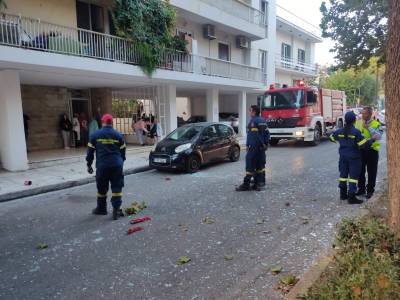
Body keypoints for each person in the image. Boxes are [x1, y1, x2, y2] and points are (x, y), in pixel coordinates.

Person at [330, 111, 377, 204]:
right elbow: (364, 145)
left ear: (345, 120)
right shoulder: (356, 132)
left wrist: (340, 142)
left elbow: (331, 137)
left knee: (343, 176)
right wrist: (371, 140)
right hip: (354, 158)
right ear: (354, 120)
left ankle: (343, 194)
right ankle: (351, 197)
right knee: (353, 177)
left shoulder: (339, 131)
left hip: (343, 157)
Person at [86, 114, 126, 220]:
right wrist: (121, 162)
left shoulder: (95, 135)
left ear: (102, 123)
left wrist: (89, 164)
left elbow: (90, 153)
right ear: (111, 123)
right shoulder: (118, 135)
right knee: (117, 188)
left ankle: (101, 209)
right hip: (116, 165)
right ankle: (116, 209)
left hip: (102, 166)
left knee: (101, 188)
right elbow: (123, 151)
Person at [236, 105, 270, 191]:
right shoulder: (263, 120)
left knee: (250, 165)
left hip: (254, 148)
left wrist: (248, 145)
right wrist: (265, 144)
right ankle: (259, 183)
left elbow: (252, 136)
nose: (249, 112)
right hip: (261, 149)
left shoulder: (253, 122)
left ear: (254, 112)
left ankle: (246, 184)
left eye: (250, 111)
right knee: (260, 166)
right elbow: (267, 134)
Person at [355, 106, 383, 199]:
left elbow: (378, 136)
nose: (363, 115)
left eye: (365, 113)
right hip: (361, 150)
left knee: (372, 172)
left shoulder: (376, 123)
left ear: (370, 114)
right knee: (360, 171)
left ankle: (370, 190)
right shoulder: (358, 123)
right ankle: (361, 189)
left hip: (372, 151)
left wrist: (369, 128)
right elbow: (355, 135)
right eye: (362, 113)